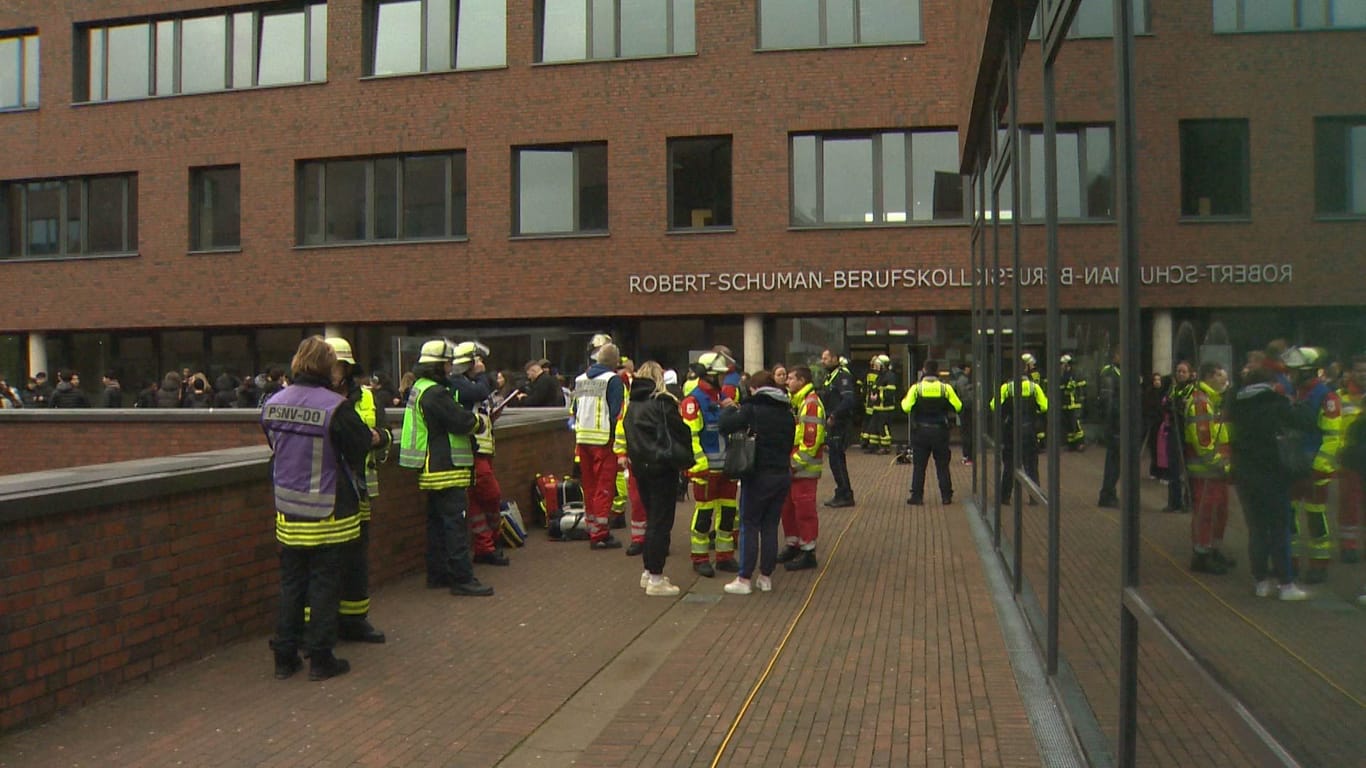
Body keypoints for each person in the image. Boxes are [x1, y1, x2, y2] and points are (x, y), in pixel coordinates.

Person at [263, 336, 372, 681]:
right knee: (325, 585)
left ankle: (284, 656)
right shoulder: (334, 407)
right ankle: (321, 658)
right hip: (327, 511)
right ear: (329, 367)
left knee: (292, 584)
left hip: (287, 509)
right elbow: (358, 448)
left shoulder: (272, 403)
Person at [398, 339, 494, 597]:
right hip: (446, 466)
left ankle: (437, 574)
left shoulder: (420, 388)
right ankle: (462, 579)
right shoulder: (435, 393)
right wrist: (479, 422)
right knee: (454, 525)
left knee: (437, 525)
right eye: (448, 363)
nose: (451, 368)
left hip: (431, 467)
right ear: (438, 365)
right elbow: (458, 420)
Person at [324, 337, 390, 644]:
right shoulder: (315, 397)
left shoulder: (367, 397)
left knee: (356, 558)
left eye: (339, 365)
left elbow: (386, 433)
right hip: (326, 491)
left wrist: (379, 438)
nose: (334, 371)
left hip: (361, 491)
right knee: (325, 561)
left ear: (348, 367)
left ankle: (355, 621)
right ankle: (323, 626)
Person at [1228, 367, 1309, 601]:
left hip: (1245, 476)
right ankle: (1286, 584)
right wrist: (1295, 400)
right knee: (1279, 529)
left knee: (1257, 530)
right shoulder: (1276, 403)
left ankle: (1260, 582)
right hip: (1273, 475)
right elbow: (1305, 421)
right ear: (1270, 384)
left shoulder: (1236, 405)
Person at [719, 370, 796, 595]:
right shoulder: (787, 412)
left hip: (758, 475)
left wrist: (729, 408)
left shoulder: (752, 409)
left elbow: (726, 426)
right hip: (781, 474)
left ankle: (744, 578)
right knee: (770, 526)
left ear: (755, 389)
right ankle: (766, 577)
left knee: (749, 524)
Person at [620, 361, 692, 596]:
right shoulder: (663, 403)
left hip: (641, 468)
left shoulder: (632, 405)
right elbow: (680, 431)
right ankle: (656, 577)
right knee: (661, 523)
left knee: (651, 519)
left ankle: (648, 571)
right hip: (662, 467)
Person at [450, 341, 512, 568]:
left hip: (484, 449)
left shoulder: (470, 382)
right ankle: (490, 541)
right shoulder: (457, 383)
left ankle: (485, 547)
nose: (481, 364)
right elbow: (479, 391)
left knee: (477, 503)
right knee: (491, 495)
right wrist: (483, 374)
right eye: (477, 360)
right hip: (472, 451)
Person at [1284, 346, 1342, 585]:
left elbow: (1332, 436)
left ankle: (1319, 565)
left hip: (1314, 467)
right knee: (1290, 515)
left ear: (1306, 372)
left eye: (1295, 371)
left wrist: (1320, 467)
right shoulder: (1296, 393)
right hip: (1293, 463)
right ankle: (1292, 561)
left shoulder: (1326, 397)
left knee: (1316, 517)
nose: (1290, 375)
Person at [681, 350, 740, 576]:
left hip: (727, 467)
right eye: (720, 375)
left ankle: (725, 556)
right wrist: (700, 465)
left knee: (727, 512)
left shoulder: (721, 399)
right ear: (709, 375)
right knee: (704, 515)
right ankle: (700, 557)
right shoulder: (693, 401)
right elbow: (691, 437)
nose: (724, 379)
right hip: (706, 470)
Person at [573, 341, 627, 549]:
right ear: (614, 362)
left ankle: (591, 526)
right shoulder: (613, 380)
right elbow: (616, 412)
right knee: (604, 487)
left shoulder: (579, 380)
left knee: (589, 486)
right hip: (604, 439)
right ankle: (601, 534)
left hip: (582, 437)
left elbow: (575, 408)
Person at [1185, 362, 1234, 574]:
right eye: (1221, 377)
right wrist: (1218, 463)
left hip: (1217, 470)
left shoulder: (1212, 401)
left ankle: (1212, 549)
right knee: (1206, 511)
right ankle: (1202, 555)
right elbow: (1204, 440)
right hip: (1207, 470)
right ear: (1209, 377)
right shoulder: (1200, 402)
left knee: (1219, 511)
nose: (1225, 381)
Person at [778, 364, 825, 572]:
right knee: (788, 508)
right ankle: (793, 544)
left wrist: (793, 464)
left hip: (802, 469)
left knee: (804, 509)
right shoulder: (797, 402)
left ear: (802, 381)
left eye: (791, 378)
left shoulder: (811, 404)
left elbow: (811, 441)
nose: (787, 382)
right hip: (794, 468)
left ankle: (808, 551)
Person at [901, 359, 962, 506]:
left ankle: (917, 496)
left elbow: (906, 407)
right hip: (940, 432)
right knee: (942, 465)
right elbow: (958, 406)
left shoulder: (916, 388)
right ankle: (946, 496)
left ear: (924, 370)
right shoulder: (945, 388)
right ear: (937, 371)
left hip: (921, 431)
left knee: (919, 466)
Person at [991, 362, 1047, 506]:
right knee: (1031, 466)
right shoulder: (1034, 387)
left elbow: (993, 405)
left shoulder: (1006, 388)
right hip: (1029, 430)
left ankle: (1005, 498)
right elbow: (1045, 406)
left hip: (1011, 431)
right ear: (1025, 371)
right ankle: (1034, 498)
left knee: (1010, 465)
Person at [819, 349, 857, 507]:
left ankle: (845, 495)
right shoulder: (831, 376)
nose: (823, 361)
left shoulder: (842, 376)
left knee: (837, 461)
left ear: (835, 359)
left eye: (826, 358)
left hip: (839, 424)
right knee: (835, 460)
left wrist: (834, 415)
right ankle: (841, 492)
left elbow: (848, 399)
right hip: (833, 424)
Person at [1336, 355, 1365, 565]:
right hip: (1350, 460)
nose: (1362, 374)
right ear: (1351, 372)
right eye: (1359, 370)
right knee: (1349, 505)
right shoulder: (1340, 397)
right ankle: (1349, 546)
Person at [1161, 360, 1196, 513]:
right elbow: (1165, 404)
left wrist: (1175, 405)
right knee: (1173, 468)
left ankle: (1189, 501)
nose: (1180, 374)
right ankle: (1174, 502)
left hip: (1188, 432)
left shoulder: (1193, 389)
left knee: (1189, 468)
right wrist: (1174, 405)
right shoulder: (1173, 389)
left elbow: (1184, 407)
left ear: (1190, 374)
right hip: (1174, 430)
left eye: (1184, 372)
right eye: (1178, 371)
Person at [1097, 351, 1123, 508]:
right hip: (1114, 424)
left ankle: (1109, 492)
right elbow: (1108, 399)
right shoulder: (1110, 372)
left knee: (1116, 461)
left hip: (1118, 422)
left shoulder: (1120, 371)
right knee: (1113, 461)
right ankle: (1107, 494)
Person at [867, 355, 899, 455]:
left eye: (877, 365)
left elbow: (890, 393)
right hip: (877, 407)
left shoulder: (890, 376)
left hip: (885, 408)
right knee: (874, 427)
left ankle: (886, 447)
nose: (875, 367)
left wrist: (878, 396)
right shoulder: (880, 376)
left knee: (883, 427)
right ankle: (873, 446)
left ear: (883, 365)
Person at [1059, 355, 1086, 451]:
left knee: (1075, 423)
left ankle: (1080, 443)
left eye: (1062, 364)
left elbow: (1074, 386)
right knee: (1069, 425)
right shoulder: (1064, 374)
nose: (1061, 366)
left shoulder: (1073, 374)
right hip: (1066, 403)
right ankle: (1072, 444)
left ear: (1067, 364)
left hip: (1073, 403)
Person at [1142, 372, 1166, 480]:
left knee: (1162, 449)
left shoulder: (1164, 393)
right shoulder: (1149, 394)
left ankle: (1161, 471)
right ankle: (1154, 470)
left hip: (1162, 424)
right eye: (1155, 380)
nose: (1157, 382)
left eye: (1159, 380)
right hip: (1154, 424)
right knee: (1154, 448)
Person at [953, 364, 974, 464]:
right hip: (967, 408)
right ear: (966, 369)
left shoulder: (961, 379)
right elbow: (965, 395)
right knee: (967, 432)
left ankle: (967, 455)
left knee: (966, 431)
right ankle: (968, 455)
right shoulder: (964, 380)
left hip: (964, 408)